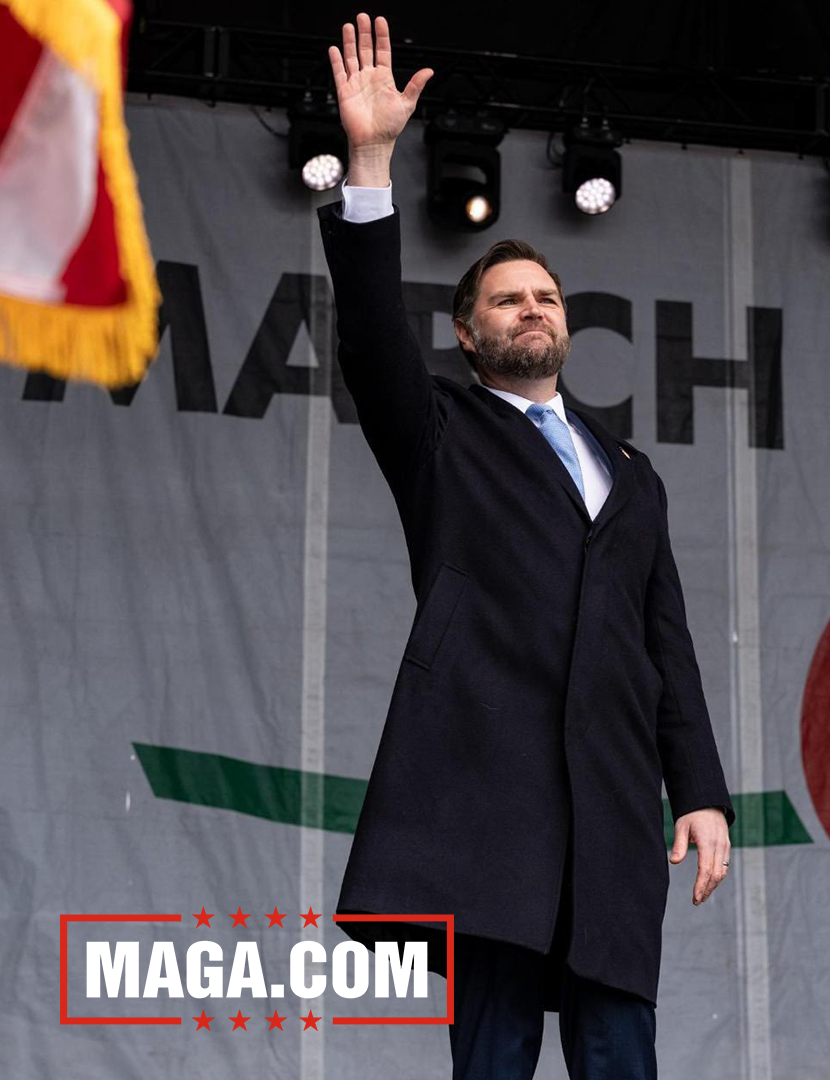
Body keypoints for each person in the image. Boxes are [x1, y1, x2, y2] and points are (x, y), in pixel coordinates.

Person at [319, 14, 735, 1079]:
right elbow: (369, 339)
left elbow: (666, 645)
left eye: (545, 296)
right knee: (494, 1054)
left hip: (605, 808)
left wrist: (699, 792)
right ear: (469, 334)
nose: (532, 308)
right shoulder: (444, 433)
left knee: (620, 1054)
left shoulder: (630, 471)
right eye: (507, 298)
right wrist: (371, 161)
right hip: (486, 802)